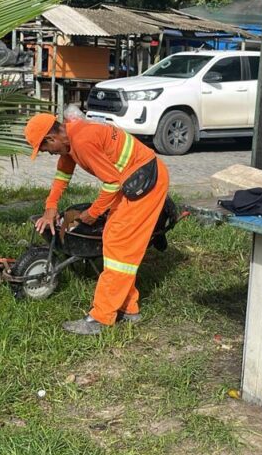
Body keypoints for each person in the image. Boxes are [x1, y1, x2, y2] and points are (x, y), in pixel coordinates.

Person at [24, 112, 170, 335]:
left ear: (51, 138)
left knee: (119, 245)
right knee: (116, 244)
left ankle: (101, 318)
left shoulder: (82, 141)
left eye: (45, 149)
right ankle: (128, 307)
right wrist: (50, 206)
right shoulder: (70, 138)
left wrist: (93, 213)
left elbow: (111, 183)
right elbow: (63, 174)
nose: (48, 153)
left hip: (145, 182)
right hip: (133, 180)